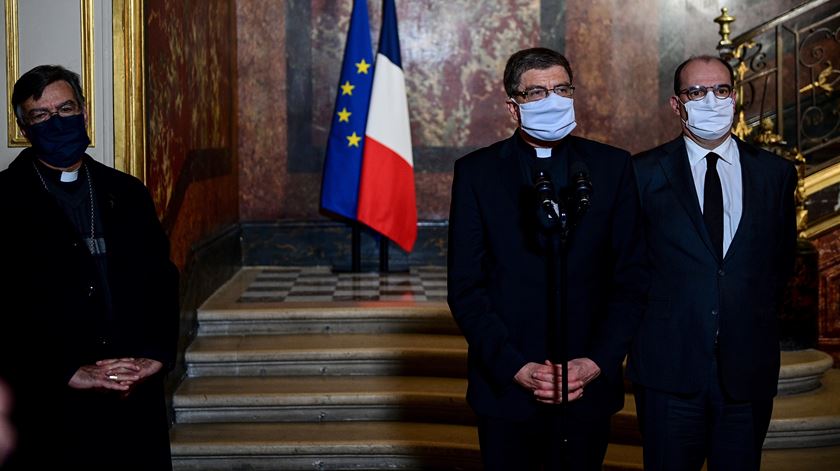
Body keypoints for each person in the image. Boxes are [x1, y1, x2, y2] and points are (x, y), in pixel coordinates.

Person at [447, 47, 648, 470]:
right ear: (512, 106)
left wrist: (595, 363)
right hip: (507, 388)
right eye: (536, 93)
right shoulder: (476, 174)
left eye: (561, 89)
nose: (552, 100)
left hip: (586, 387)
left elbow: (631, 278)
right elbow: (466, 287)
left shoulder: (612, 167)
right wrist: (516, 366)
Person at [0, 65, 179, 470]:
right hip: (49, 402)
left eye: (65, 108)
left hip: (132, 393)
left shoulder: (128, 192)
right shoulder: (5, 200)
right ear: (23, 126)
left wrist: (154, 354)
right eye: (41, 115)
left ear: (84, 111)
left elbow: (161, 280)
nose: (56, 121)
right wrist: (64, 371)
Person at [628, 55, 797, 470]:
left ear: (735, 98)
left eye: (721, 90)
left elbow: (780, 264)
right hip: (670, 370)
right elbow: (628, 269)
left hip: (747, 370)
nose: (711, 101)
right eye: (696, 92)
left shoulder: (774, 174)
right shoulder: (641, 173)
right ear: (676, 104)